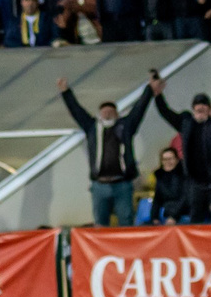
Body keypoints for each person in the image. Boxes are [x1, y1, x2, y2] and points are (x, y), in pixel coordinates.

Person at [57, 74, 155, 226]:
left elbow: (139, 109)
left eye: (111, 111)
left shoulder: (126, 127)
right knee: (100, 223)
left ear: (117, 114)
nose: (107, 114)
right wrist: (65, 92)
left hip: (122, 184)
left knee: (126, 221)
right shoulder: (92, 128)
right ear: (100, 114)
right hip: (100, 185)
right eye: (104, 112)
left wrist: (149, 89)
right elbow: (77, 111)